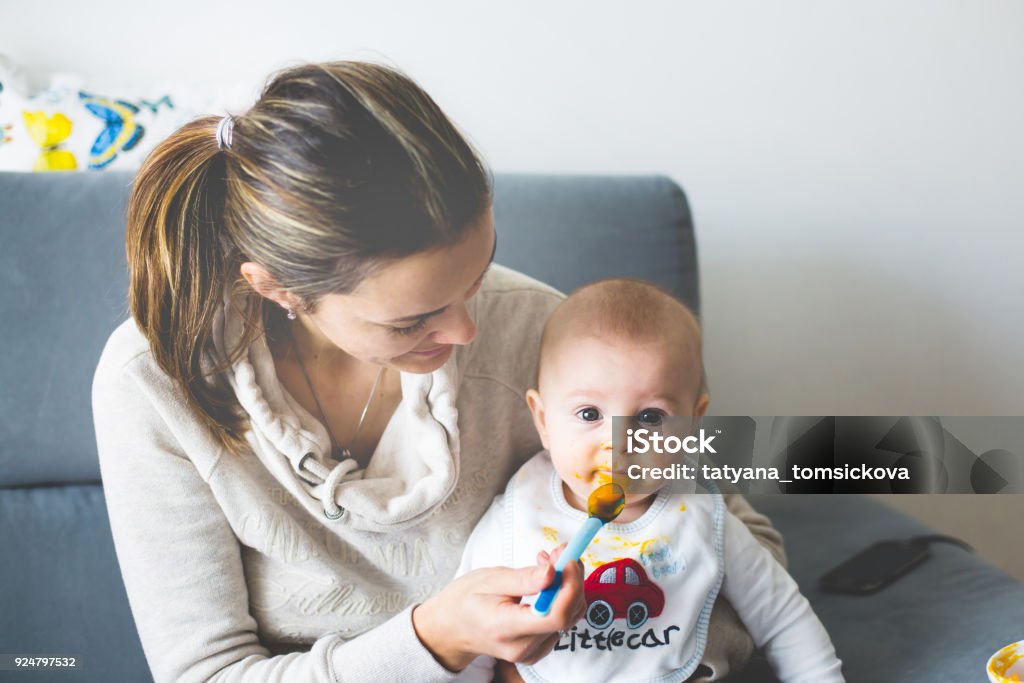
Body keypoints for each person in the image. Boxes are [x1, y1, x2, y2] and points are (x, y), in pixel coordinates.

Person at [92, 60, 786, 682]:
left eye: (478, 279)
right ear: (277, 288)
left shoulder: (542, 327)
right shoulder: (151, 387)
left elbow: (737, 537)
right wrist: (434, 639)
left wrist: (644, 651)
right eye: (411, 321)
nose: (468, 332)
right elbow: (206, 673)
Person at [455, 279, 844, 683]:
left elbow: (781, 616)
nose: (617, 444)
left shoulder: (701, 515)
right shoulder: (515, 517)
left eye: (650, 417)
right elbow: (475, 638)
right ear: (543, 420)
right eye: (589, 414)